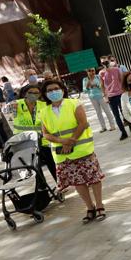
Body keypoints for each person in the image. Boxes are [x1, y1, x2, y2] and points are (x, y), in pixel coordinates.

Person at [40, 79, 106, 223]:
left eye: (56, 88)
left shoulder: (74, 104)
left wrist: (71, 141)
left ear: (62, 89)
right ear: (45, 94)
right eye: (49, 90)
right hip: (63, 155)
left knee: (93, 178)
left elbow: (83, 123)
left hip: (82, 149)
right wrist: (62, 142)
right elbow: (45, 133)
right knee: (77, 182)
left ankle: (100, 205)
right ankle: (90, 207)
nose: (53, 92)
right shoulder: (44, 112)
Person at [12, 84, 57, 182]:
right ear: (25, 94)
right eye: (30, 92)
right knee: (34, 165)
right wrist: (12, 107)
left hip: (43, 139)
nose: (33, 95)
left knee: (51, 161)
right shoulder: (17, 104)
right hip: (25, 141)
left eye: (36, 93)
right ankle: (42, 187)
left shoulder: (43, 105)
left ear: (40, 94)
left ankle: (60, 184)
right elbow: (8, 111)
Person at [100, 56, 129, 140]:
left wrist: (124, 92)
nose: (105, 64)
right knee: (116, 115)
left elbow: (121, 80)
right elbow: (102, 86)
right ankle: (123, 132)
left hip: (120, 94)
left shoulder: (116, 69)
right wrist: (104, 96)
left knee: (125, 112)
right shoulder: (101, 73)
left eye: (106, 62)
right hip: (110, 97)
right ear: (101, 64)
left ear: (109, 61)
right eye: (103, 63)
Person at [83, 68, 115, 133]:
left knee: (107, 110)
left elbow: (103, 86)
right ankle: (103, 127)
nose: (92, 72)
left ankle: (112, 125)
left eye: (93, 70)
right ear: (87, 72)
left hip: (101, 96)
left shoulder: (98, 77)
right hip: (92, 97)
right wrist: (87, 86)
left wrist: (96, 85)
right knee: (98, 113)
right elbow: (84, 91)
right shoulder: (85, 79)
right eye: (89, 71)